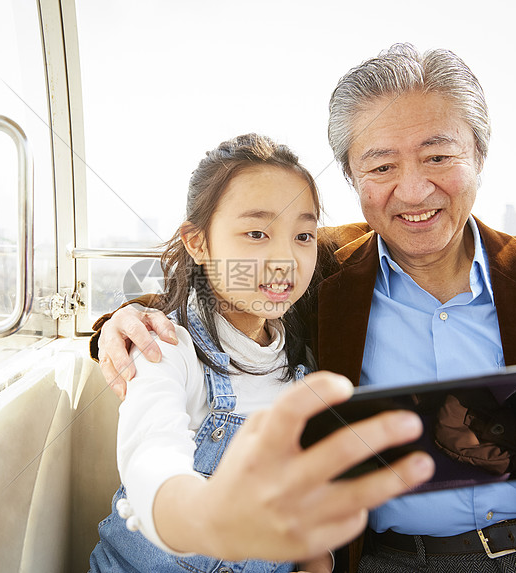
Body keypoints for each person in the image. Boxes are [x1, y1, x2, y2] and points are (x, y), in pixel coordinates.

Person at [93, 44, 516, 572]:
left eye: (438, 156)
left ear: (478, 158)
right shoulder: (319, 267)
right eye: (381, 167)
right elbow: (222, 286)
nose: (414, 189)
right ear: (352, 179)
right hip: (392, 559)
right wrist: (123, 322)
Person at [88, 133, 435, 573]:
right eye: (256, 233)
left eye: (304, 235)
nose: (284, 259)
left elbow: (306, 525)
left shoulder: (303, 363)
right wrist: (199, 516)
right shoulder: (165, 350)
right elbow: (150, 460)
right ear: (197, 243)